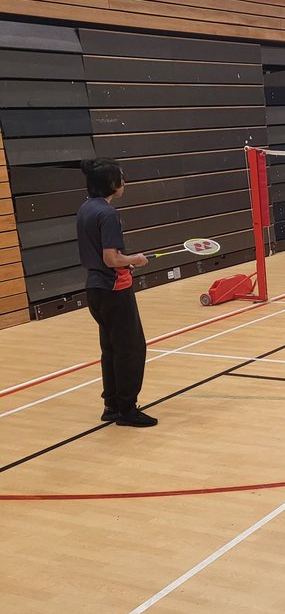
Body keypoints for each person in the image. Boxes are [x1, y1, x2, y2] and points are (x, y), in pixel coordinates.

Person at [76, 158, 157, 427]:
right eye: (121, 177)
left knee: (110, 349)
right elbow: (111, 258)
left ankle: (111, 405)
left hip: (95, 291)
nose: (125, 182)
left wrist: (126, 261)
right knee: (131, 349)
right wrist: (134, 259)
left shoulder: (86, 208)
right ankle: (127, 410)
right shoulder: (108, 214)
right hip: (113, 290)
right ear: (112, 184)